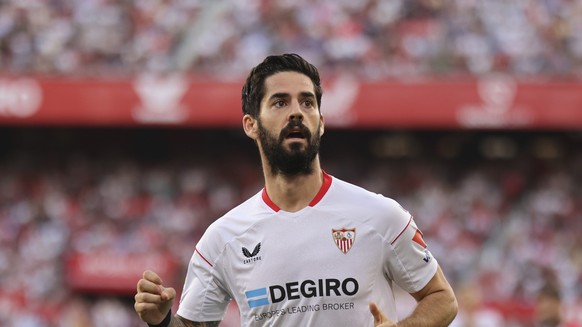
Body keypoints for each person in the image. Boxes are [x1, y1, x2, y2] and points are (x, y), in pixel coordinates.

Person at [134, 53, 458, 327]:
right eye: (279, 102)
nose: (296, 112)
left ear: (321, 121)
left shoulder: (380, 215)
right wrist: (161, 320)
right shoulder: (222, 239)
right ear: (251, 124)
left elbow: (441, 299)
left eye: (307, 102)